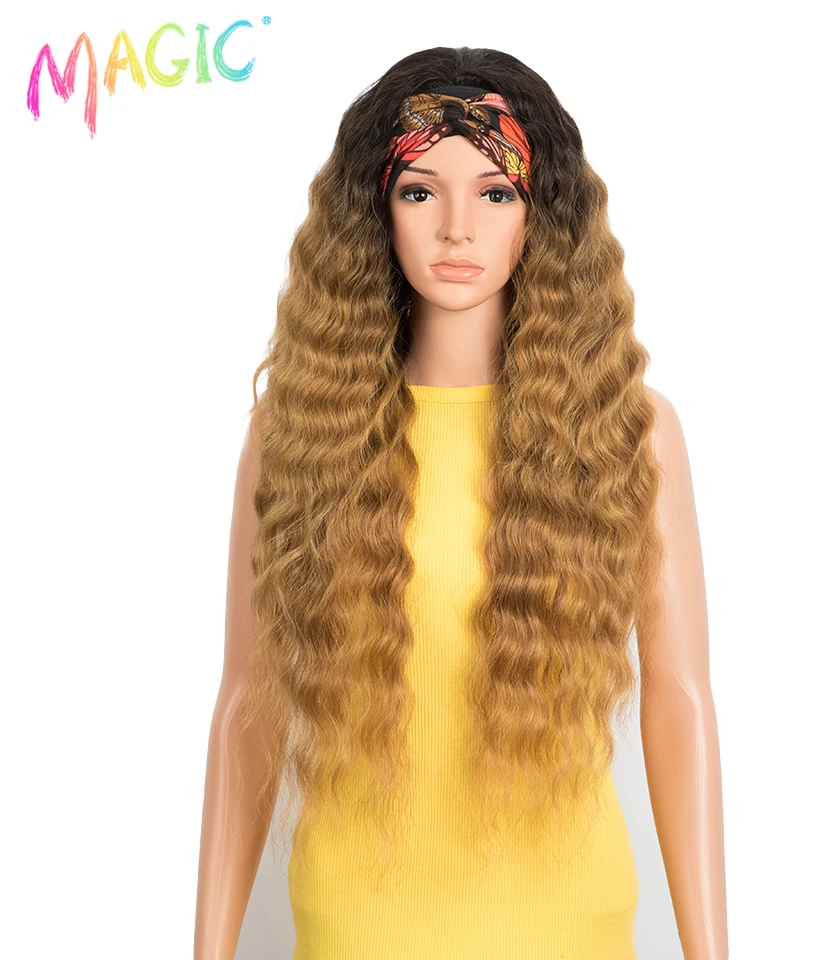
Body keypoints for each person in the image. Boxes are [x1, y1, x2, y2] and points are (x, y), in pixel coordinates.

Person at [194, 45, 728, 960]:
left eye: (495, 192)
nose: (456, 229)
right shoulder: (294, 433)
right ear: (374, 210)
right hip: (354, 933)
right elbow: (247, 702)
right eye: (418, 192)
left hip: (569, 932)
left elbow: (680, 700)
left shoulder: (627, 431)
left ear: (540, 213)